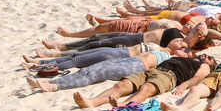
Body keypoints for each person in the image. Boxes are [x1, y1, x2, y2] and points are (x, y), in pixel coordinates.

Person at [73, 54, 217, 108]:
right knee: (121, 85)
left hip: (170, 76)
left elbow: (198, 78)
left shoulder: (204, 67)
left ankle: (125, 104)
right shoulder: (186, 57)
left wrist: (185, 84)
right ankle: (92, 102)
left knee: (147, 88)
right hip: (153, 70)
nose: (206, 56)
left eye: (210, 58)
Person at [26, 47, 195, 92]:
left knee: (95, 74)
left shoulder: (175, 60)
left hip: (136, 66)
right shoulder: (166, 52)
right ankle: (52, 81)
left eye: (187, 51)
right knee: (90, 68)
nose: (184, 50)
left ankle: (55, 86)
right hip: (130, 60)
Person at [23, 38, 187, 71]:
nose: (178, 42)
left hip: (118, 56)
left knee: (78, 61)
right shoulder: (160, 46)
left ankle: (39, 67)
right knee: (76, 57)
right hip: (117, 51)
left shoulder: (165, 54)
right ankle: (41, 61)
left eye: (182, 44)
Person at [38, 26, 208, 56]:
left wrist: (202, 34)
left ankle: (60, 51)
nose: (195, 27)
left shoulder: (183, 43)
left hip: (133, 43)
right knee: (96, 38)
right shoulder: (182, 33)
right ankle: (62, 45)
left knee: (95, 45)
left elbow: (190, 41)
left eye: (198, 30)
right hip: (135, 35)